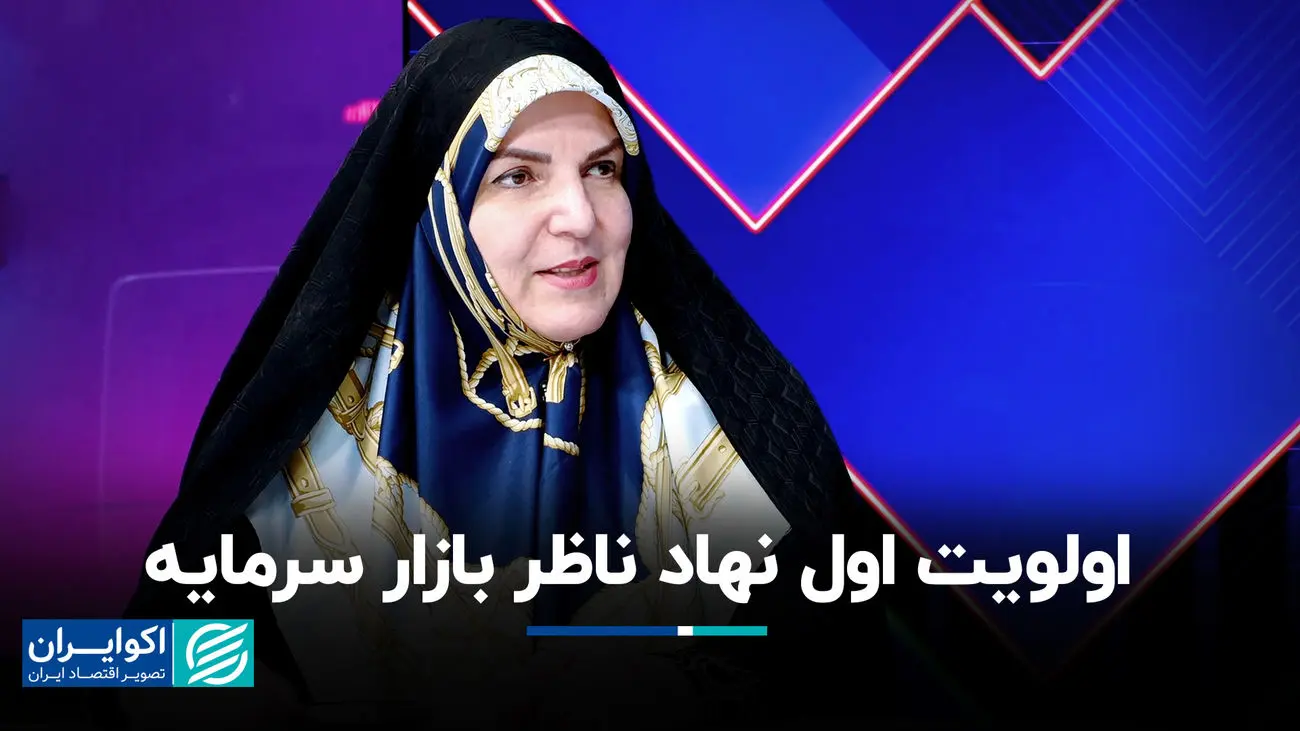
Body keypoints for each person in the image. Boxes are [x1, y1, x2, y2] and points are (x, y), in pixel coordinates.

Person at [118, 18, 910, 729]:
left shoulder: (731, 428)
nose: (581, 215)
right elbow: (110, 662)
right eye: (517, 176)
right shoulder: (307, 441)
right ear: (438, 206)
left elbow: (848, 681)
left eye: (603, 169)